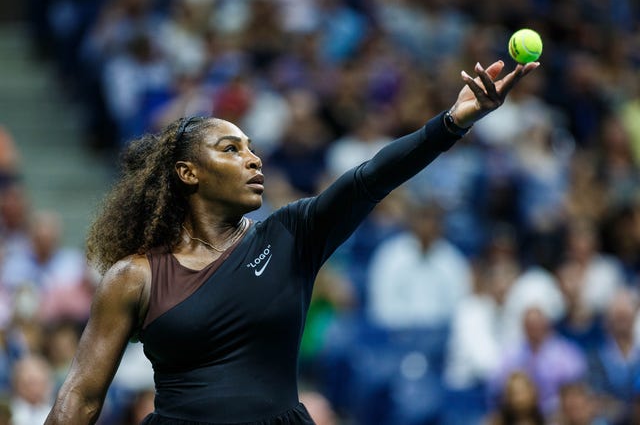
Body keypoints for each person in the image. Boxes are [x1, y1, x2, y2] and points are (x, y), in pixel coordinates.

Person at [45, 59, 539, 425]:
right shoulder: (134, 276)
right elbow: (81, 399)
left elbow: (369, 178)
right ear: (187, 173)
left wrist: (451, 123)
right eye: (231, 148)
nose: (253, 159)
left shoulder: (291, 234)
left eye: (253, 148)